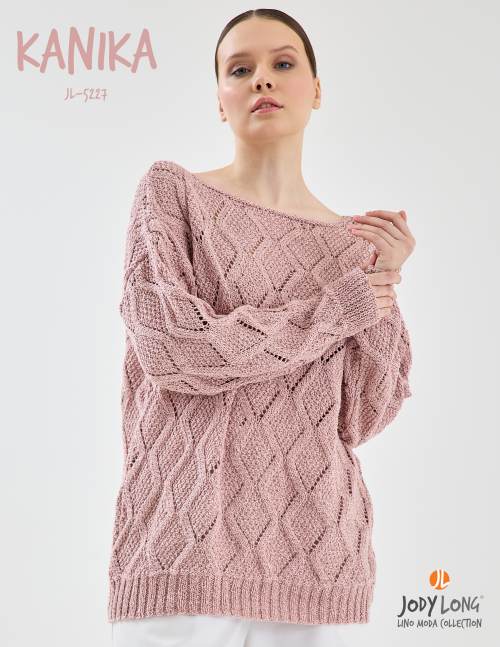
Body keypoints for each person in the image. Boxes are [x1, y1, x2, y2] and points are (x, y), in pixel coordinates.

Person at [108, 8, 416, 646]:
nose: (262, 80)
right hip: (181, 547)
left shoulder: (352, 249)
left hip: (317, 557)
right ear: (219, 100)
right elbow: (174, 351)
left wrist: (384, 280)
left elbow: (362, 417)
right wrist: (337, 309)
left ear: (316, 90)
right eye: (240, 69)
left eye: (283, 63)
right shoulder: (172, 196)